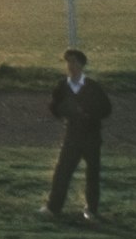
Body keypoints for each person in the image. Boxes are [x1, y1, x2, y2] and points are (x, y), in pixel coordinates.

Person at [43, 44, 113, 223]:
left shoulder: (93, 87)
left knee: (92, 175)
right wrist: (65, 111)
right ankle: (53, 207)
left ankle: (91, 210)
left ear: (82, 65)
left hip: (91, 136)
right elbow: (53, 107)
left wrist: (89, 114)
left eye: (74, 62)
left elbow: (106, 109)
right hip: (72, 136)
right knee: (62, 173)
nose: (70, 66)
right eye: (68, 62)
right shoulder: (62, 87)